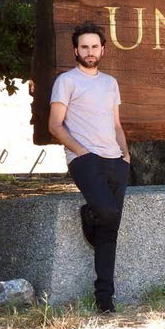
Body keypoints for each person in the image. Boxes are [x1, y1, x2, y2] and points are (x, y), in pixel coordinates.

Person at [48, 22, 130, 314]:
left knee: (110, 232)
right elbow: (54, 125)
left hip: (115, 161)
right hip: (84, 159)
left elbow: (116, 124)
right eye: (84, 47)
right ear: (75, 50)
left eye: (95, 46)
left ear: (102, 50)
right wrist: (81, 152)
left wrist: (126, 156)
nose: (90, 51)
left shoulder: (110, 83)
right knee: (106, 213)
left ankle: (105, 300)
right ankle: (89, 212)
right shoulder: (67, 81)